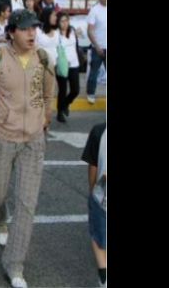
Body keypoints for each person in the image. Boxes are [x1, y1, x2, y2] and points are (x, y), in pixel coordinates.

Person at [0, 9, 57, 288]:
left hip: (33, 140)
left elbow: (50, 92)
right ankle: (0, 219)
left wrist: (46, 115)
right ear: (12, 32)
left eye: (34, 28)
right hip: (2, 137)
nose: (32, 33)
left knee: (27, 204)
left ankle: (15, 265)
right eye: (25, 29)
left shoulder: (44, 59)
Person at [81, 123, 107, 287]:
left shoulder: (99, 131)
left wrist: (92, 189)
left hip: (103, 192)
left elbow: (93, 167)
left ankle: (103, 274)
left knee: (98, 234)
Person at [55, 12, 80, 122]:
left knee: (75, 90)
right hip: (62, 65)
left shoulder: (73, 31)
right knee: (63, 89)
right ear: (58, 22)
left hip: (74, 64)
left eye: (66, 21)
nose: (64, 23)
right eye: (62, 21)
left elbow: (76, 46)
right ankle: (60, 112)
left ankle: (65, 104)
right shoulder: (56, 34)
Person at [86, 0, 107, 104]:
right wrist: (97, 46)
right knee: (94, 73)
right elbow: (90, 31)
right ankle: (91, 93)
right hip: (97, 48)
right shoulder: (95, 10)